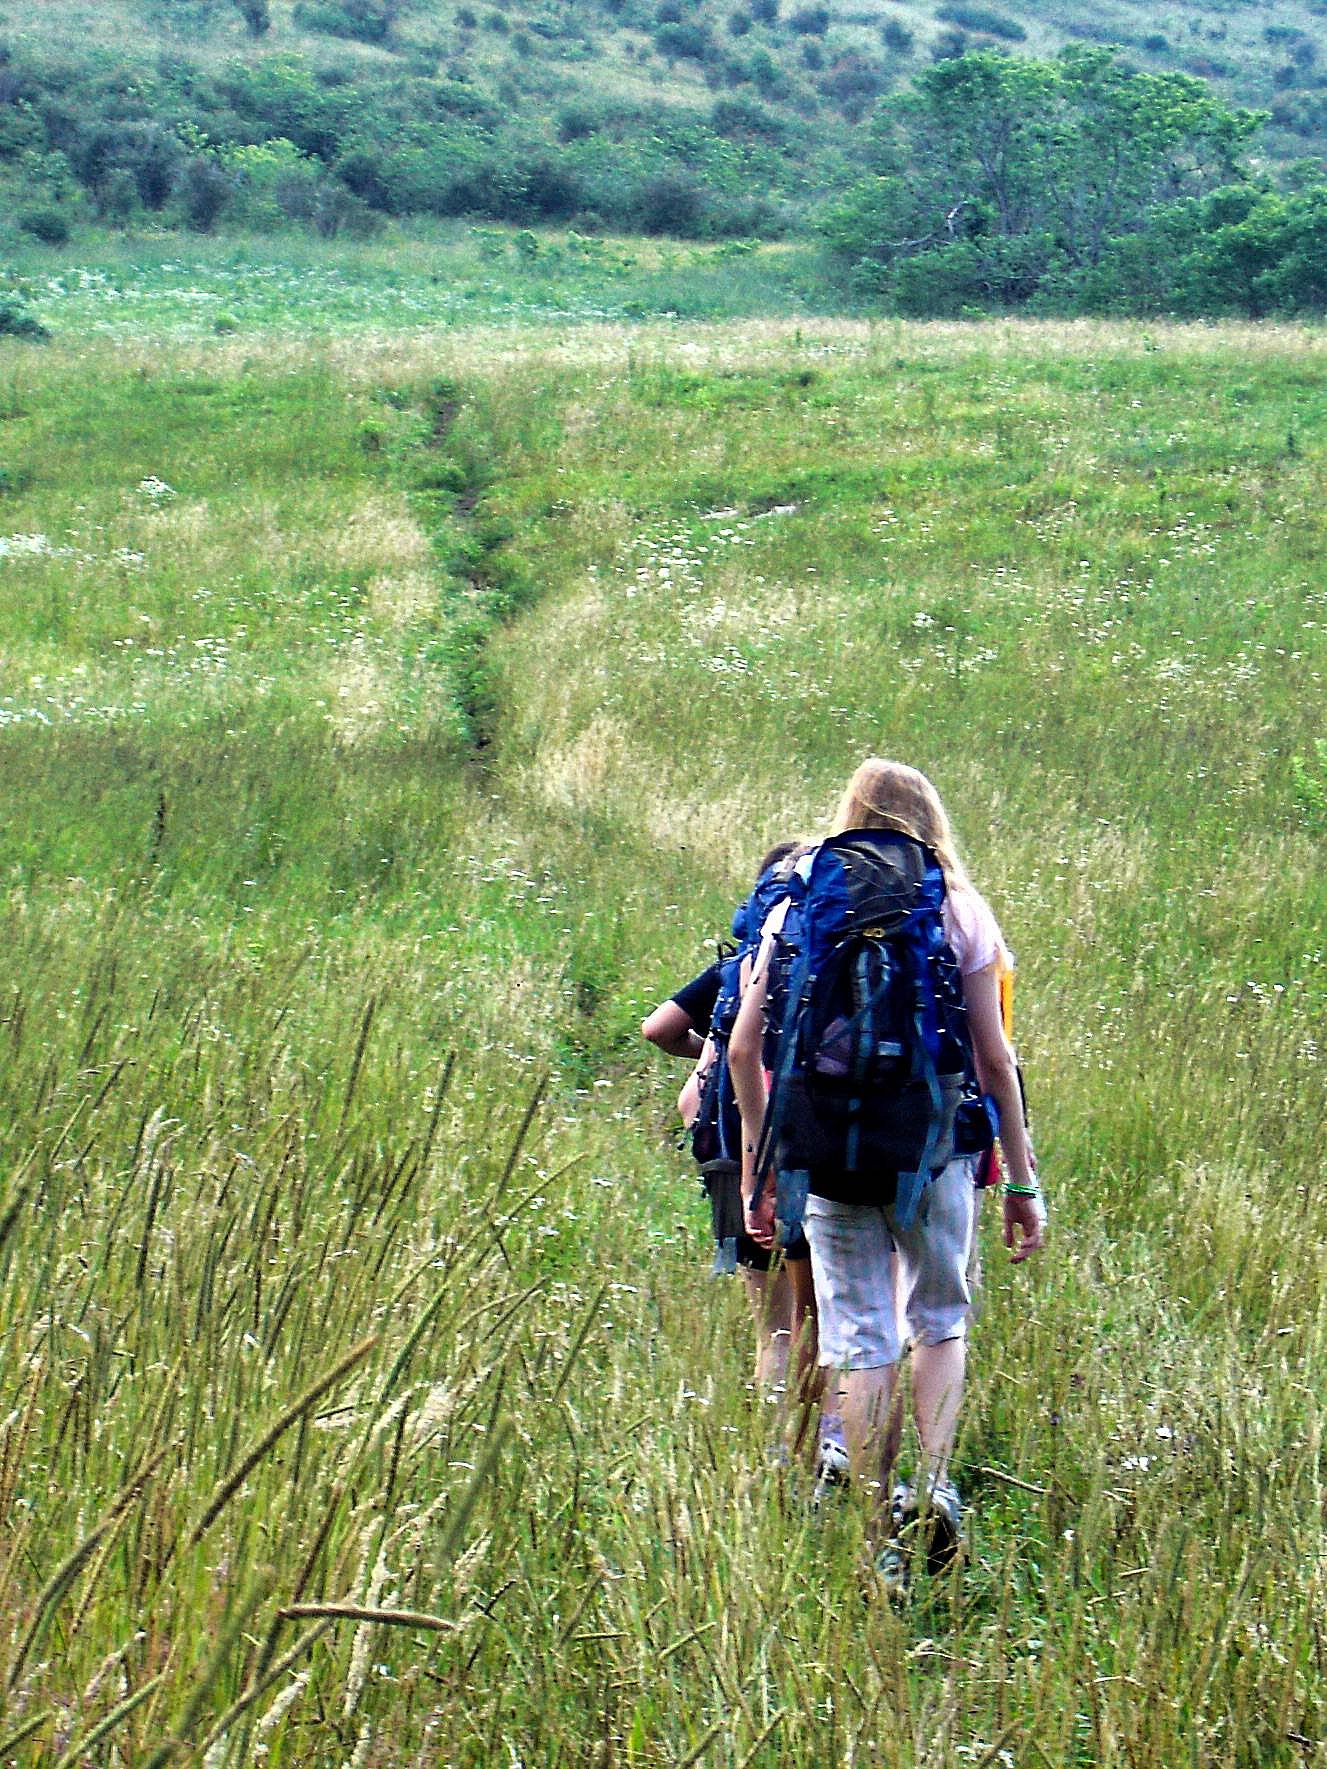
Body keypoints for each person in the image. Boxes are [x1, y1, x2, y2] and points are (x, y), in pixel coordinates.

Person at [728, 759, 1044, 1588]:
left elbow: (742, 1047)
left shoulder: (799, 898)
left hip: (826, 1155)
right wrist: (1020, 1180)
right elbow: (995, 1060)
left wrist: (761, 1167)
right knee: (937, 1320)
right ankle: (932, 1484)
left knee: (859, 1337)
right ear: (930, 818)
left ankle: (877, 1534)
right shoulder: (957, 905)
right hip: (932, 1151)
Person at [643, 843, 828, 1453]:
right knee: (814, 1320)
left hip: (724, 1148)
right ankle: (813, 1451)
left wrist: (710, 1051)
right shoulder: (816, 959)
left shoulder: (736, 966)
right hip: (792, 1155)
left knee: (771, 1327)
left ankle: (772, 1453)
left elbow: (657, 1028)